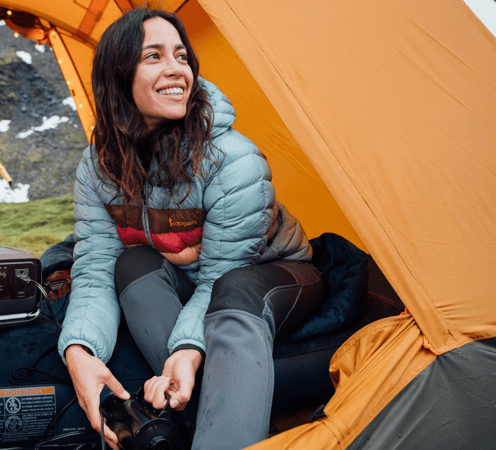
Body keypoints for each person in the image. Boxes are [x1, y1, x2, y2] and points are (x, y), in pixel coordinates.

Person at [57, 8, 325, 450]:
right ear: (117, 77)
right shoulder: (98, 165)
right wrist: (80, 351)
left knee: (236, 287)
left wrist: (186, 347)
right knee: (129, 263)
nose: (176, 69)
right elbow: (96, 266)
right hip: (195, 280)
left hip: (274, 272)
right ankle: (202, 409)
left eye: (182, 56)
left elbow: (221, 275)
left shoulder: (232, 158)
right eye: (154, 57)